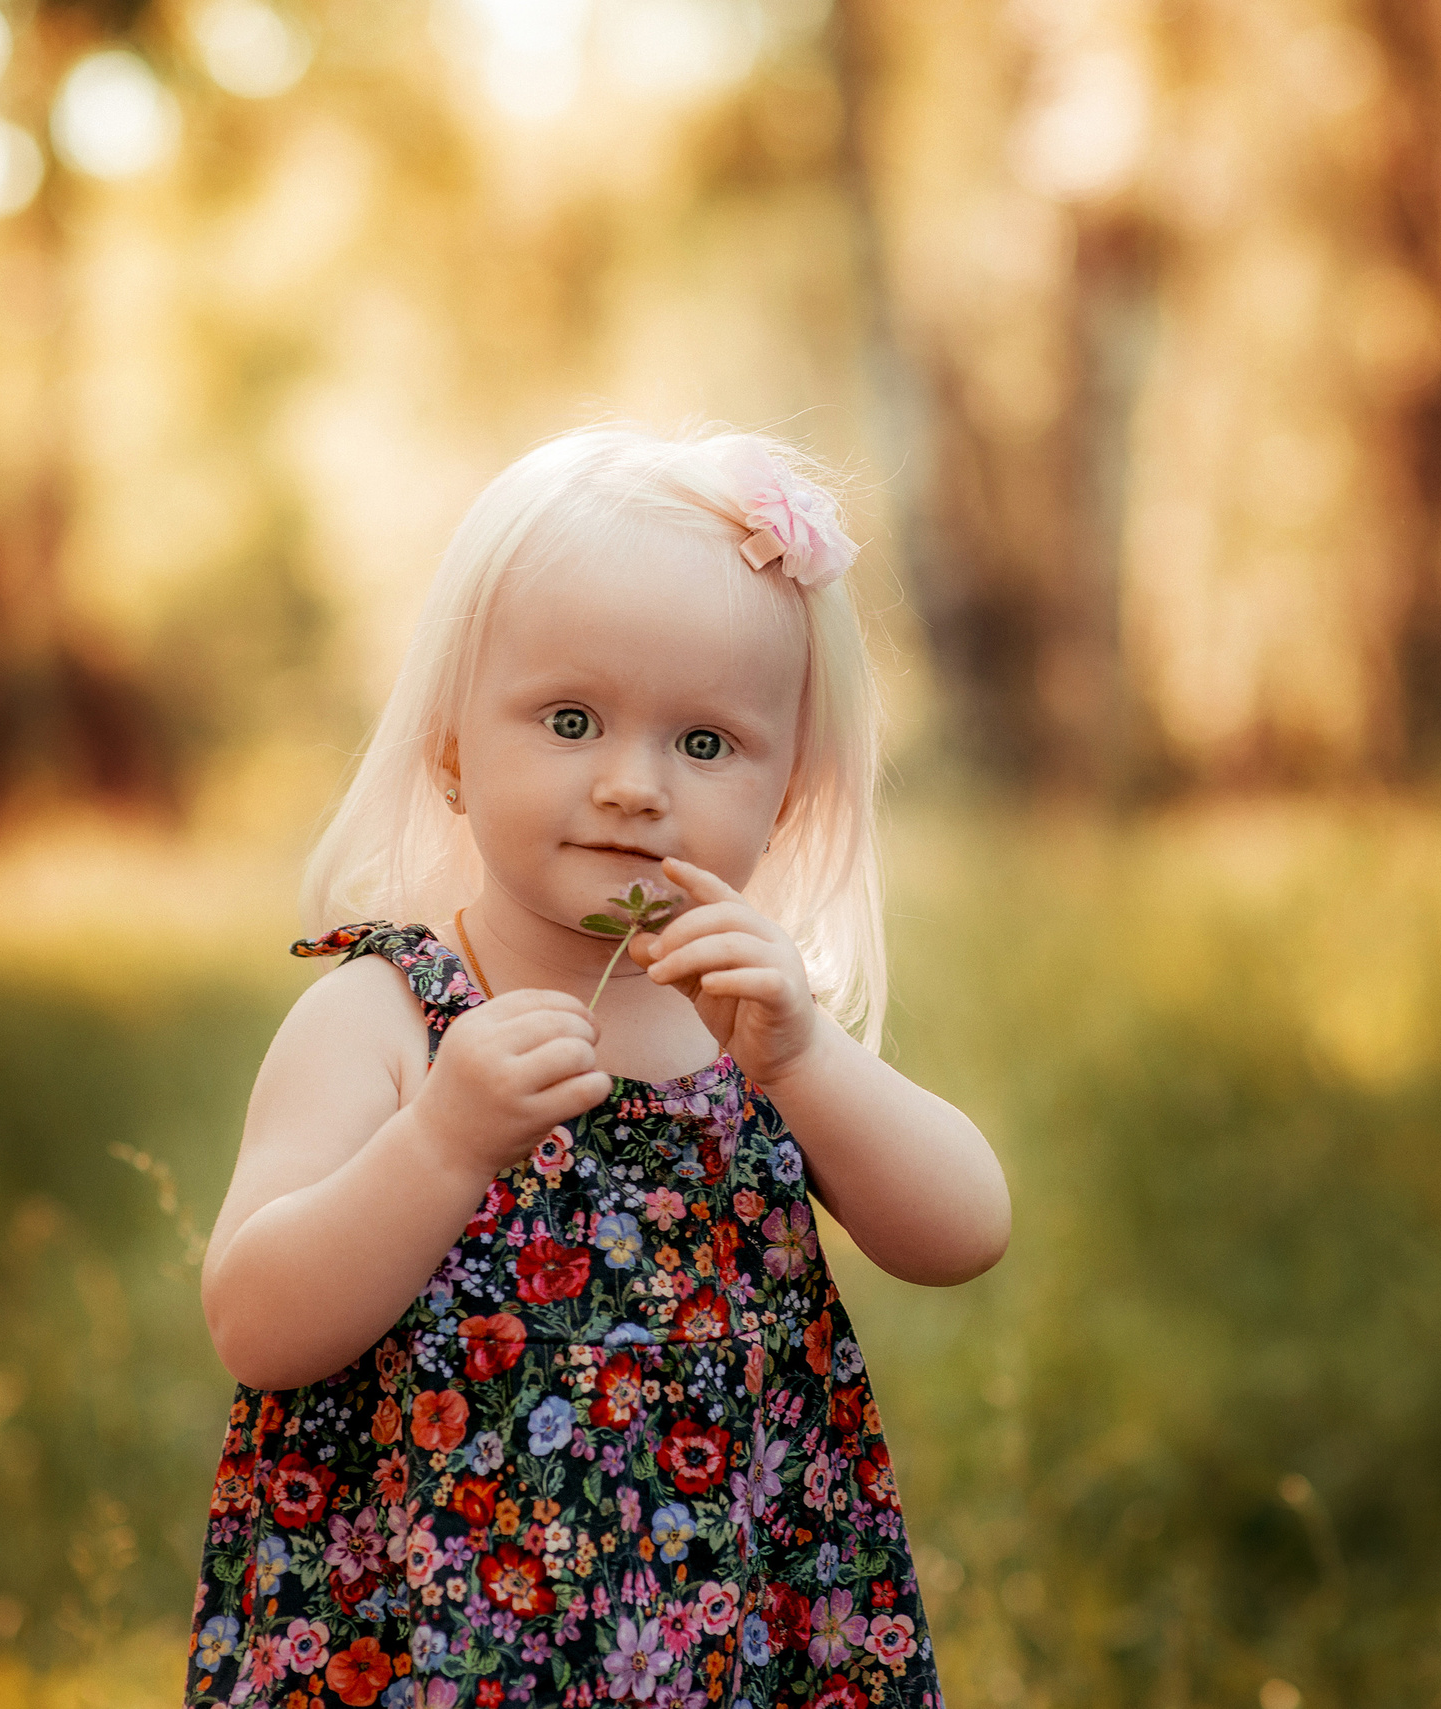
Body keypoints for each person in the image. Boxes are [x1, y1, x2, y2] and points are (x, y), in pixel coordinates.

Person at [183, 427, 1012, 1709]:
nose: (631, 787)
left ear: (784, 793)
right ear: (453, 747)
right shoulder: (387, 1017)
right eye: (570, 721)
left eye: (703, 742)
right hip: (428, 1629)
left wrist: (812, 1061)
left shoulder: (749, 1021)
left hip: (722, 1617)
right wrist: (442, 1144)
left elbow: (965, 1231)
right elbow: (257, 1321)